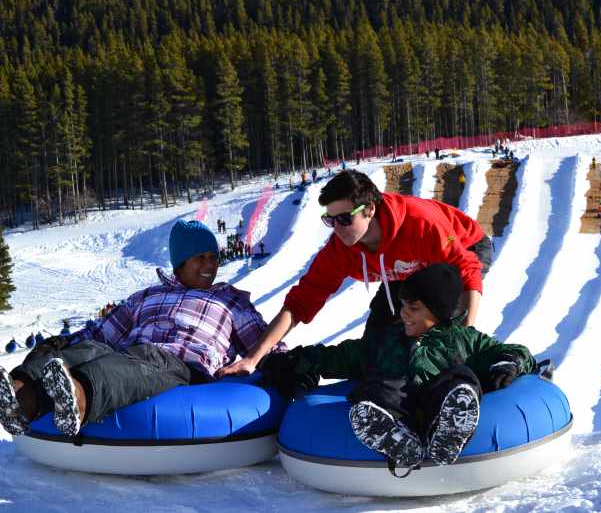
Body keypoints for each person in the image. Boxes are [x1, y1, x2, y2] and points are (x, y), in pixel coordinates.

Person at [0, 220, 282, 438]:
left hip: (182, 365)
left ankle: (77, 398)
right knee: (93, 350)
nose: (210, 264)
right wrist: (56, 347)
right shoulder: (145, 297)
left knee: (139, 360)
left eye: (213, 257)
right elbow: (100, 333)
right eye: (201, 257)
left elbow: (263, 343)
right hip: (131, 354)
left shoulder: (229, 300)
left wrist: (288, 363)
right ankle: (20, 395)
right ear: (181, 263)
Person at [260, 264, 536, 472]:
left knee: (460, 380)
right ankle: (395, 438)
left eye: (413, 308)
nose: (403, 313)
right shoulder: (386, 339)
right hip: (397, 407)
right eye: (403, 305)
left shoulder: (464, 339)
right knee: (379, 386)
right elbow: (341, 356)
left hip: (436, 404)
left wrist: (509, 364)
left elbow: (515, 351)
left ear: (438, 311)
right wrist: (297, 360)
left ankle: (449, 429)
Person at [218, 170, 493, 377]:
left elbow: (467, 269)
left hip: (461, 252)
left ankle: (457, 382)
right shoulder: (340, 249)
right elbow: (300, 302)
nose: (337, 228)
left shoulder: (420, 224)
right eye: (330, 220)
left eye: (345, 218)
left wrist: (464, 334)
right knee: (378, 344)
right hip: (404, 272)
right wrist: (253, 358)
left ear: (370, 209)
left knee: (439, 329)